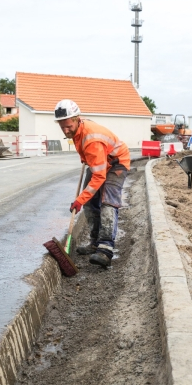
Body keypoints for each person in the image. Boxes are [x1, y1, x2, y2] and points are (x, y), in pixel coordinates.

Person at [54, 99, 130, 268]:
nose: (66, 130)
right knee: (89, 201)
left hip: (116, 163)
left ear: (76, 119)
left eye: (68, 126)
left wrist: (79, 200)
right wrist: (84, 199)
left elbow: (99, 177)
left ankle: (105, 249)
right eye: (62, 127)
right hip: (99, 163)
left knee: (107, 202)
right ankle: (95, 242)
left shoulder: (91, 139)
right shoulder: (77, 130)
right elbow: (92, 161)